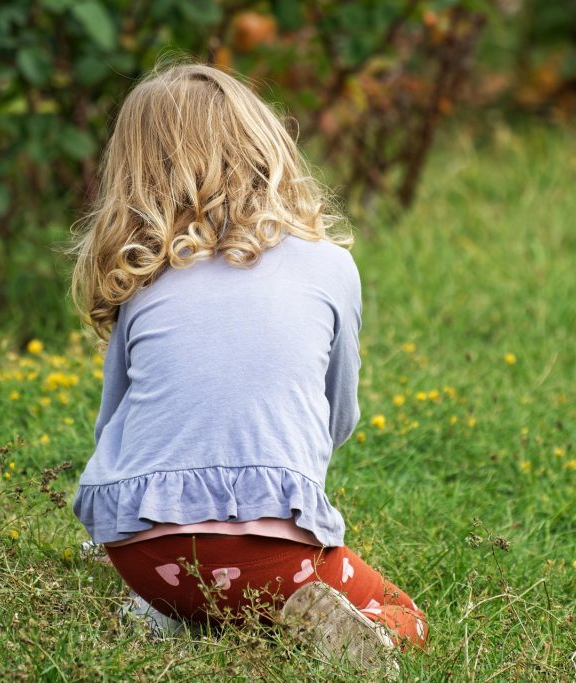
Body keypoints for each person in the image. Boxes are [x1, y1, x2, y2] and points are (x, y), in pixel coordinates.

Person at [67, 59, 427, 665]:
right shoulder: (329, 265)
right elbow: (336, 417)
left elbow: (113, 430)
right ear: (266, 145)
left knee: (190, 575)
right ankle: (364, 635)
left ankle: (168, 609)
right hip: (274, 559)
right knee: (407, 613)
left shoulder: (146, 273)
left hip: (140, 555)